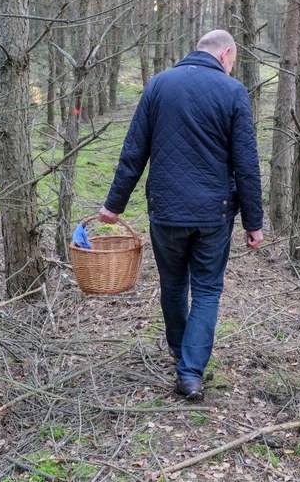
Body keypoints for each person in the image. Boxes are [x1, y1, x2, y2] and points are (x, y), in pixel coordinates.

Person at [99, 29, 264, 401]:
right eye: (232, 62)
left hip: (166, 210)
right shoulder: (233, 91)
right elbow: (247, 165)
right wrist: (254, 223)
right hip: (213, 214)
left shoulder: (159, 84)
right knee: (206, 289)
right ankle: (190, 373)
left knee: (174, 285)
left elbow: (133, 152)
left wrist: (114, 206)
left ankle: (180, 351)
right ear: (225, 55)